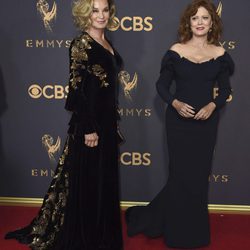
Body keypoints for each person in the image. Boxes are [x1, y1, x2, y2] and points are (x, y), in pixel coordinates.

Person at [5, 0, 124, 249]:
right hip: (91, 127)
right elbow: (77, 90)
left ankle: (103, 237)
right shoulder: (81, 44)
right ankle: (88, 239)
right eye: (94, 10)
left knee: (104, 183)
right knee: (90, 184)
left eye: (104, 10)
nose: (100, 15)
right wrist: (89, 127)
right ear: (85, 13)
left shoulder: (107, 43)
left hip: (108, 125)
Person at [126, 0, 234, 248]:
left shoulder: (219, 55)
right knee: (180, 176)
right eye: (195, 18)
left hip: (206, 125)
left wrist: (212, 105)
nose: (199, 22)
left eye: (205, 18)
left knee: (197, 178)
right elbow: (161, 86)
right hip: (179, 124)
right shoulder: (175, 51)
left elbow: (226, 89)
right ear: (189, 22)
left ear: (212, 23)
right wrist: (174, 104)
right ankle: (175, 233)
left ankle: (195, 233)